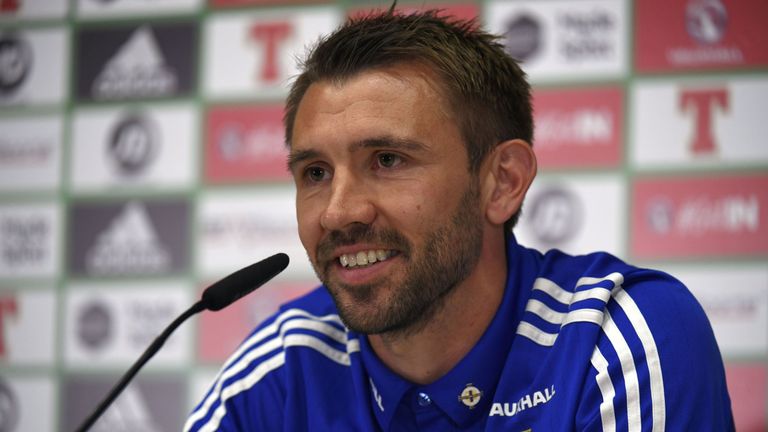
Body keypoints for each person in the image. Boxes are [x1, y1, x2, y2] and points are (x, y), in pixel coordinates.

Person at [185, 8, 734, 431]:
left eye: (388, 160)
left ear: (502, 182)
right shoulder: (284, 368)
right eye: (315, 172)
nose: (338, 212)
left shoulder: (612, 341)